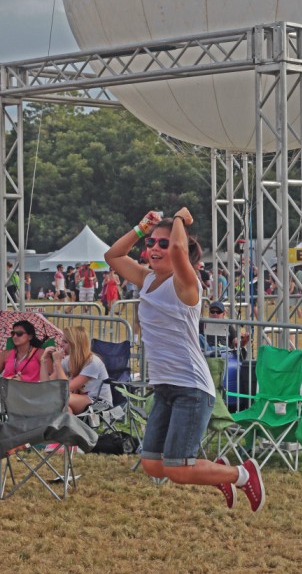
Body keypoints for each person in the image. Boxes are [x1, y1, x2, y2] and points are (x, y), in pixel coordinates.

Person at [104, 207, 265, 512]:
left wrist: (179, 219)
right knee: (152, 465)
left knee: (178, 470)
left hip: (191, 388)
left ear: (182, 250)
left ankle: (242, 474)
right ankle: (212, 471)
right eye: (150, 243)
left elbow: (179, 247)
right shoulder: (147, 279)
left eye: (162, 244)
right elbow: (112, 256)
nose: (154, 248)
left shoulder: (185, 283)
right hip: (165, 387)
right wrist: (141, 227)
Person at [40, 326, 112, 414]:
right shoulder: (67, 361)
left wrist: (58, 363)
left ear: (75, 344)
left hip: (99, 404)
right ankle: (69, 427)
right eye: (62, 340)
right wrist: (44, 360)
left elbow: (66, 388)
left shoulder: (93, 362)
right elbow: (46, 386)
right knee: (65, 408)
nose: (61, 344)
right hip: (78, 400)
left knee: (59, 397)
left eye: (65, 342)